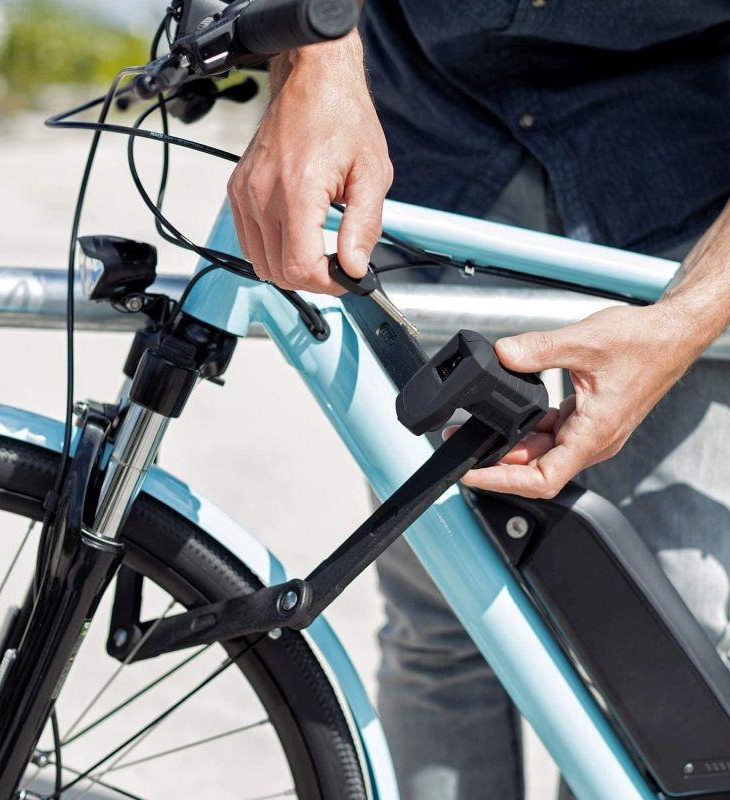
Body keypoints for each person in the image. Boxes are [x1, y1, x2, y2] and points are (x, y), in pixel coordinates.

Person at [227, 3, 730, 798]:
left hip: (684, 161)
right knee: (448, 619)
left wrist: (685, 323)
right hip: (427, 137)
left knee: (677, 634)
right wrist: (315, 57)